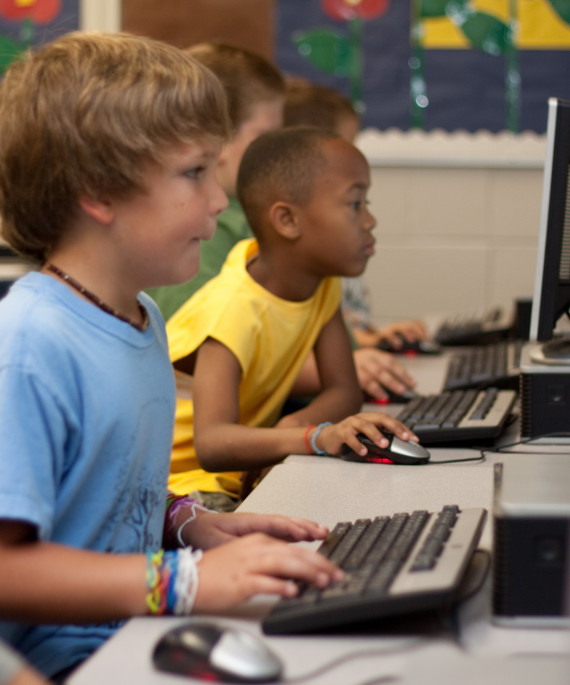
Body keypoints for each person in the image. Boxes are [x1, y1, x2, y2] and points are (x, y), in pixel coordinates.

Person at [0, 32, 343, 682]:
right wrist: (181, 581)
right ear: (98, 190)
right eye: (194, 172)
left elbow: (100, 500)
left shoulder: (141, 317)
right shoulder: (31, 343)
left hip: (140, 629)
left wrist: (190, 527)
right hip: (75, 661)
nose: (220, 199)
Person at [147, 43, 416, 402]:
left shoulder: (244, 218)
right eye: (265, 135)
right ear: (217, 139)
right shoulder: (206, 232)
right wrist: (341, 373)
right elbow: (202, 357)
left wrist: (356, 356)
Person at [165, 127, 420, 503]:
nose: (370, 221)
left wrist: (296, 424)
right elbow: (212, 443)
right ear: (287, 221)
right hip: (181, 485)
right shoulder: (233, 310)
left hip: (235, 467)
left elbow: (344, 390)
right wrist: (312, 436)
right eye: (355, 205)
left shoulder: (320, 285)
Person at [283, 79, 428, 352]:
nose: (369, 221)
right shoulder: (307, 244)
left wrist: (379, 334)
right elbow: (303, 335)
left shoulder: (340, 234)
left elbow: (348, 319)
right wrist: (369, 343)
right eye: (349, 145)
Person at [147, 41, 285, 322]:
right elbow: (190, 337)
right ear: (218, 138)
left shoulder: (244, 212)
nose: (275, 154)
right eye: (264, 137)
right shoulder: (206, 225)